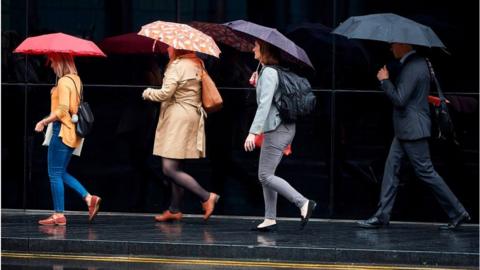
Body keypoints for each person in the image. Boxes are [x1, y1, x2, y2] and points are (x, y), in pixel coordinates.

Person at [357, 43, 470, 230]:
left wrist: (385, 80)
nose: (391, 48)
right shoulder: (417, 64)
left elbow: (400, 100)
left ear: (404, 45)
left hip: (412, 130)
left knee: (426, 172)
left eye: (393, 45)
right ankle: (382, 215)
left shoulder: (412, 66)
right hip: (405, 129)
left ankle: (458, 212)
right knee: (391, 170)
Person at [244, 40, 316, 232]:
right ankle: (270, 217)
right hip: (282, 128)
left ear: (264, 50)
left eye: (256, 47)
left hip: (277, 130)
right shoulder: (270, 72)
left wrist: (253, 132)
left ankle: (303, 203)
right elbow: (272, 99)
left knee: (265, 175)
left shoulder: (268, 72)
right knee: (267, 174)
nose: (253, 49)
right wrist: (256, 84)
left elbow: (264, 105)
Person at [142, 46, 220, 222]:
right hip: (191, 116)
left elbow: (165, 93)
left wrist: (147, 92)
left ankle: (207, 197)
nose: (167, 50)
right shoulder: (196, 62)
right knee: (177, 166)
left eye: (169, 47)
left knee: (168, 168)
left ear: (177, 49)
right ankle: (174, 209)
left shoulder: (177, 65)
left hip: (178, 117)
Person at [34, 53, 101, 226]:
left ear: (60, 62)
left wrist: (43, 121)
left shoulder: (63, 82)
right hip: (73, 132)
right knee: (60, 172)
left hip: (61, 131)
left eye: (52, 62)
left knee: (54, 174)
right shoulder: (75, 80)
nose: (50, 66)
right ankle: (89, 198)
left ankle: (58, 214)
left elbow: (62, 110)